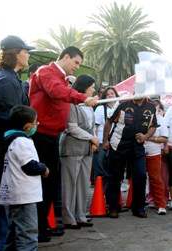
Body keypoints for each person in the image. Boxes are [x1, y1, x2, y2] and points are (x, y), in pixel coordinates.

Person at [29, 46, 97, 242]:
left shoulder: (63, 79)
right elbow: (56, 92)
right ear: (65, 57)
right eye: (76, 62)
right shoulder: (47, 72)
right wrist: (83, 97)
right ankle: (38, 229)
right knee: (43, 181)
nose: (77, 67)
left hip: (52, 135)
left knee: (49, 183)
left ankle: (43, 226)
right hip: (41, 134)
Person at [0, 35, 34, 249]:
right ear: (15, 53)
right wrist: (27, 126)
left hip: (6, 148)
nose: (28, 55)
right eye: (26, 51)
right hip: (3, 150)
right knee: (0, 201)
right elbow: (9, 119)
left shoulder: (10, 78)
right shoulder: (6, 81)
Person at [0, 105, 49, 251]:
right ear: (27, 127)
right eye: (35, 123)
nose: (36, 126)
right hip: (24, 195)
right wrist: (44, 168)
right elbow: (29, 165)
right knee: (27, 235)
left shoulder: (6, 137)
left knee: (12, 234)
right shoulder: (22, 141)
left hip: (10, 193)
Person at [103, 96, 157, 219]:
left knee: (141, 175)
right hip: (118, 145)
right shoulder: (123, 103)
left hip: (137, 146)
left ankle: (138, 208)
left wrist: (146, 136)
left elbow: (153, 126)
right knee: (115, 176)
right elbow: (109, 121)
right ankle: (113, 207)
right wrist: (105, 140)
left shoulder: (151, 106)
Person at [60, 74, 98, 229]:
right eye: (92, 86)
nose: (94, 89)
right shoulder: (71, 103)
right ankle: (69, 218)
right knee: (70, 184)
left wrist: (93, 140)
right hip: (72, 147)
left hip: (87, 149)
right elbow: (72, 127)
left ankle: (81, 215)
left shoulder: (89, 105)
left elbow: (91, 126)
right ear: (84, 86)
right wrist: (92, 138)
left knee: (83, 184)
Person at [93, 86, 119, 193]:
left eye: (112, 93)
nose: (110, 96)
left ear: (116, 95)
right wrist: (95, 142)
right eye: (107, 94)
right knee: (100, 170)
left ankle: (110, 197)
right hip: (100, 143)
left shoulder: (120, 108)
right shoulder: (100, 109)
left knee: (113, 170)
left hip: (116, 144)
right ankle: (99, 195)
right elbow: (95, 127)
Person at [144, 98, 168, 215]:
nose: (153, 108)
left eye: (156, 107)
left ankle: (160, 204)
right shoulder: (141, 118)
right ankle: (138, 204)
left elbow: (164, 138)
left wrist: (148, 138)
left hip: (154, 153)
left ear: (159, 108)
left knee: (156, 179)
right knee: (139, 179)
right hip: (139, 153)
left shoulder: (161, 120)